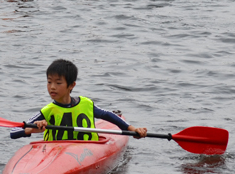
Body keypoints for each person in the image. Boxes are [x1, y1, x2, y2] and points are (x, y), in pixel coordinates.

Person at [11, 59, 147, 141]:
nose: (52, 87)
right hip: (56, 152)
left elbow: (108, 116)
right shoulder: (47, 111)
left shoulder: (86, 104)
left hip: (88, 150)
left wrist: (133, 130)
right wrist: (34, 129)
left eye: (58, 83)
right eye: (49, 82)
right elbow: (13, 133)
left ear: (71, 85)